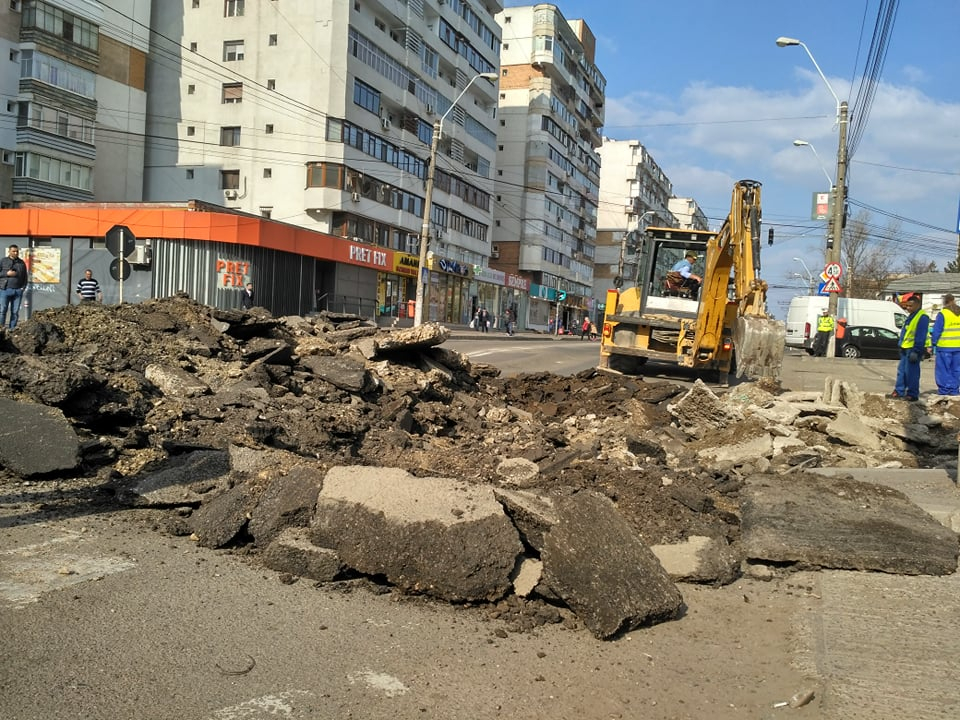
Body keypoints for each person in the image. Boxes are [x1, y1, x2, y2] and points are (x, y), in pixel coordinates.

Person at [890, 294, 929, 401]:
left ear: (917, 305)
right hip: (905, 348)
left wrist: (916, 351)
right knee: (902, 371)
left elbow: (920, 336)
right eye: (907, 306)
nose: (908, 308)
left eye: (910, 306)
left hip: (913, 349)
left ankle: (912, 394)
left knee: (912, 373)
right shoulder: (911, 316)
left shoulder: (922, 317)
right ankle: (899, 391)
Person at [930, 293, 960, 396]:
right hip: (958, 347)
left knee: (943, 369)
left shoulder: (943, 313)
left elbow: (937, 331)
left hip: (945, 346)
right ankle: (954, 390)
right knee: (956, 369)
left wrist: (933, 344)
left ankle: (944, 390)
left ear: (945, 301)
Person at [0, 244, 29, 330]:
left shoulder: (21, 262)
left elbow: (25, 277)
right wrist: (6, 274)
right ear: (9, 251)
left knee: (15, 312)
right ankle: (1, 329)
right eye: (14, 251)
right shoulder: (3, 261)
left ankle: (12, 329)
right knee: (2, 311)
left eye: (17, 251)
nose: (16, 253)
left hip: (17, 291)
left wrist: (22, 288)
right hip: (5, 290)